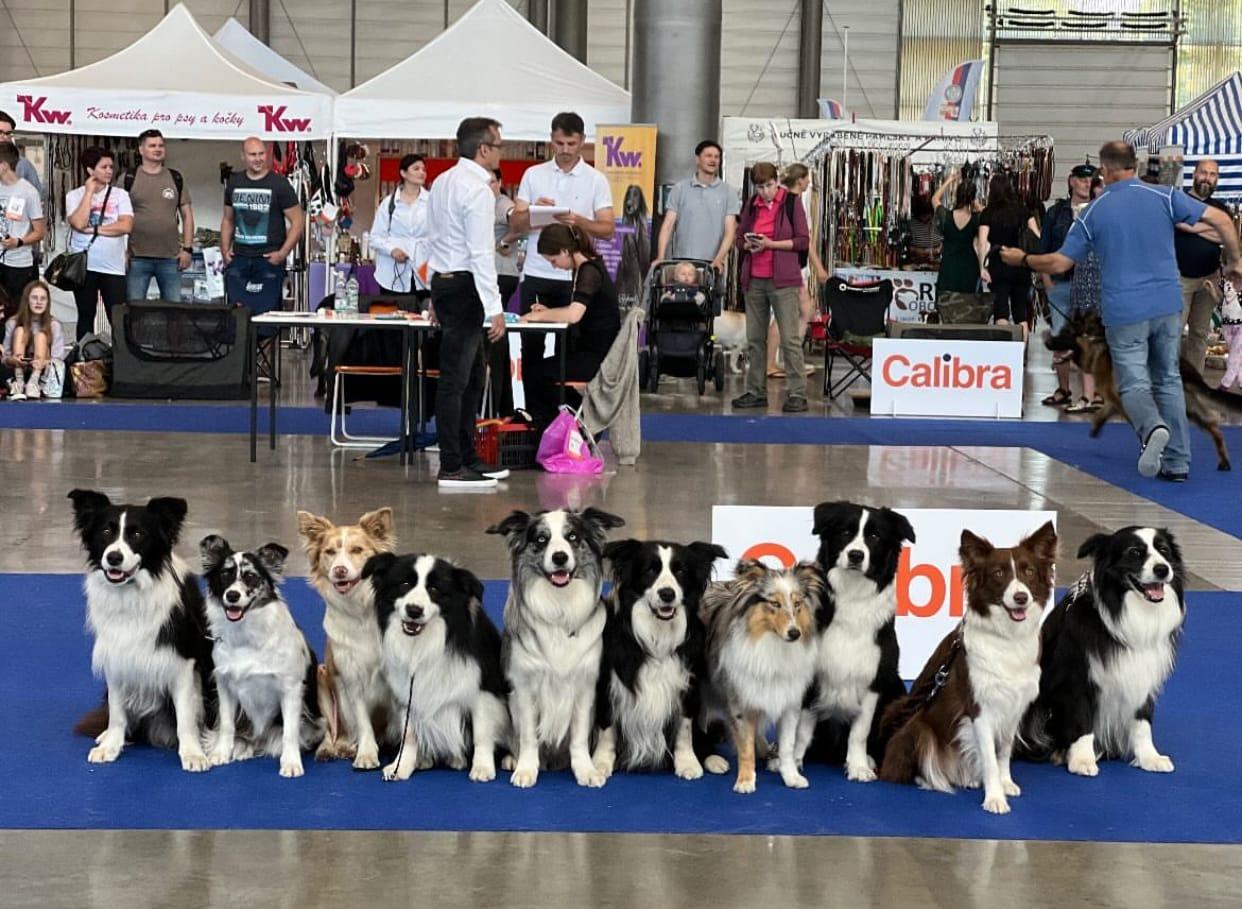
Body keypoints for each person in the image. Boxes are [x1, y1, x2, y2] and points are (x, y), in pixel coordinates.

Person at [1002, 140, 1242, 481]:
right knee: (1169, 380)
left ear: (1105, 169)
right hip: (1167, 305)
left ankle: (1152, 427)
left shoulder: (1094, 211)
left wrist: (1022, 258)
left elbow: (1059, 263)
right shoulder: (1164, 196)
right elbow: (1220, 219)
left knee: (1132, 384)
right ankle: (1177, 462)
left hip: (1125, 310)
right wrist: (1235, 261)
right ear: (1135, 165)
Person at [426, 117, 508, 488]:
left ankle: (467, 455)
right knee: (456, 380)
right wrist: (495, 307)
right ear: (483, 149)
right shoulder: (478, 191)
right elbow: (480, 253)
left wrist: (434, 292)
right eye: (499, 145)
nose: (501, 152)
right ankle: (451, 465)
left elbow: (433, 239)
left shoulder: (442, 181)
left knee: (473, 377)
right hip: (465, 287)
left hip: (446, 283)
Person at [510, 112, 614, 391]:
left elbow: (608, 229)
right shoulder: (534, 174)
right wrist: (534, 212)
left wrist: (579, 221)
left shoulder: (596, 179)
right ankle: (532, 411)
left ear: (582, 141)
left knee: (569, 349)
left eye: (571, 143)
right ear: (551, 141)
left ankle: (562, 411)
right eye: (559, 143)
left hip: (574, 276)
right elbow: (515, 225)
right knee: (530, 350)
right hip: (537, 271)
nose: (565, 150)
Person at [520, 223, 621, 425]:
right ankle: (565, 421)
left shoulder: (589, 271)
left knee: (536, 373)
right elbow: (577, 310)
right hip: (595, 353)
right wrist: (548, 313)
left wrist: (540, 316)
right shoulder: (587, 268)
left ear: (565, 251)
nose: (554, 266)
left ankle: (549, 425)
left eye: (553, 260)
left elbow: (574, 314)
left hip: (597, 357)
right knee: (539, 372)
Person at [730, 162, 810, 413]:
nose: (765, 191)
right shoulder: (751, 205)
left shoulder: (791, 202)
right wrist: (748, 244)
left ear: (777, 181)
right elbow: (738, 239)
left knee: (790, 338)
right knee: (755, 338)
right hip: (754, 279)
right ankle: (755, 390)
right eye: (760, 187)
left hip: (783, 280)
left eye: (769, 185)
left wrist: (771, 244)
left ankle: (797, 393)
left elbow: (802, 241)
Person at [220, 137, 303, 334]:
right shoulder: (234, 183)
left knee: (267, 325)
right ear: (243, 156)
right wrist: (224, 249)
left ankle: (265, 355)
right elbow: (228, 219)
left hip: (268, 261)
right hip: (239, 260)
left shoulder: (279, 184)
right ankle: (243, 355)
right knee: (237, 323)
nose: (257, 159)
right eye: (252, 154)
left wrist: (283, 253)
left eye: (261, 154)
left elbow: (298, 221)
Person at [1040, 163, 1097, 410]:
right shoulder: (1056, 213)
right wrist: (1047, 281)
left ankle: (1091, 394)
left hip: (1092, 284)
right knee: (1060, 338)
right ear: (1072, 181)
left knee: (1089, 340)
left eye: (1091, 180)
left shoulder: (1100, 212)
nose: (1087, 184)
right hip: (1061, 282)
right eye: (1083, 180)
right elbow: (1044, 248)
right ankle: (1063, 389)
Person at [766, 163, 827, 378]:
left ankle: (790, 358)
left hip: (791, 266)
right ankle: (773, 362)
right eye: (807, 178)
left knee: (805, 310)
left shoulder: (789, 200)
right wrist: (819, 268)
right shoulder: (790, 201)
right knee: (785, 315)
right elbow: (802, 240)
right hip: (787, 267)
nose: (809, 181)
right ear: (800, 180)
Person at [66, 147, 132, 341]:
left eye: (111, 166)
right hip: (85, 266)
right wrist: (88, 193)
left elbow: (126, 225)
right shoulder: (74, 195)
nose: (109, 171)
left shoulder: (120, 195)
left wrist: (94, 230)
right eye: (104, 167)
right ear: (90, 170)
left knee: (117, 317)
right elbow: (79, 223)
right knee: (86, 315)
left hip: (113, 266)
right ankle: (85, 356)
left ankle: (121, 356)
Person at [125, 129, 195, 303]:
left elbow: (187, 215)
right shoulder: (128, 178)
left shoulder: (175, 177)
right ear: (141, 150)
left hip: (170, 258)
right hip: (136, 258)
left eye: (161, 145)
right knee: (134, 310)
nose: (157, 149)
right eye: (152, 145)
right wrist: (122, 252)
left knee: (173, 311)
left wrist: (187, 249)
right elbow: (117, 217)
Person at [1175, 158, 1229, 375]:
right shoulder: (1179, 201)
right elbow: (1178, 223)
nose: (1207, 178)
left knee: (1200, 334)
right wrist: (1211, 229)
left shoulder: (1221, 209)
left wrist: (1193, 227)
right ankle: (1170, 383)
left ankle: (1195, 382)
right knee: (1174, 333)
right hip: (1180, 279)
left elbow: (1224, 235)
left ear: (1217, 179)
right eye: (1204, 172)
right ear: (1194, 174)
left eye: (1212, 174)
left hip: (1209, 279)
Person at [655, 139, 740, 272]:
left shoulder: (729, 192)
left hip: (712, 263)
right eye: (708, 156)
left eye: (716, 157)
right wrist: (660, 257)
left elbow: (730, 231)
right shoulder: (680, 188)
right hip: (682, 261)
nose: (713, 160)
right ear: (697, 159)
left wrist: (719, 259)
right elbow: (668, 225)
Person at [978, 173, 1037, 332]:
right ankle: (1022, 346)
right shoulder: (1023, 210)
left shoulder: (988, 212)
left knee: (1001, 312)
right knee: (1021, 314)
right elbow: (1036, 236)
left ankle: (1002, 346)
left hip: (999, 265)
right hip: (1021, 264)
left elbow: (982, 242)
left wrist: (981, 267)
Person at [370, 153, 431, 301]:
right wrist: (392, 250)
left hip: (423, 272)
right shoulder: (388, 203)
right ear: (403, 173)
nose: (421, 172)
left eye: (423, 169)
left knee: (423, 312)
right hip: (392, 274)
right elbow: (375, 238)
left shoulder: (432, 201)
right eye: (416, 168)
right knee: (394, 312)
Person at [931, 170, 983, 323]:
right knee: (968, 306)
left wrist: (949, 180)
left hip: (949, 264)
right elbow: (986, 211)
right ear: (972, 198)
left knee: (946, 307)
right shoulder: (976, 219)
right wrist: (973, 201)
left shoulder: (945, 216)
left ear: (956, 196)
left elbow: (934, 199)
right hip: (969, 265)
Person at [0, 143, 46, 305]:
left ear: (4, 165)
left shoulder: (28, 192)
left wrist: (18, 242)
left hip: (18, 263)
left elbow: (40, 232)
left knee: (16, 309)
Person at [3, 280, 64, 400]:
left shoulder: (54, 325)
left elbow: (58, 360)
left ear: (48, 302)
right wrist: (14, 360)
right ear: (27, 300)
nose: (39, 302)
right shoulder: (12, 322)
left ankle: (33, 383)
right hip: (18, 369)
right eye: (34, 298)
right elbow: (5, 357)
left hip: (42, 373)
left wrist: (43, 362)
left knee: (41, 336)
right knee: (20, 330)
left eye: (43, 299)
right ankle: (19, 383)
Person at [0, 111, 44, 197]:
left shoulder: (23, 164)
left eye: (8, 133)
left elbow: (37, 195)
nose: (4, 137)